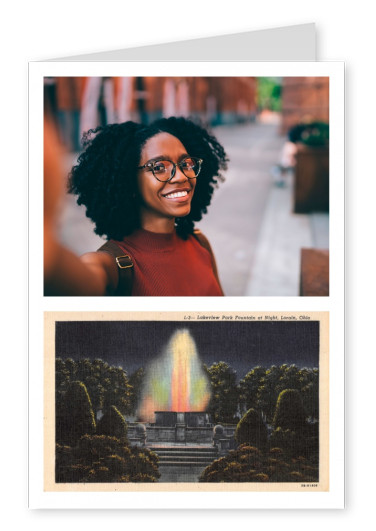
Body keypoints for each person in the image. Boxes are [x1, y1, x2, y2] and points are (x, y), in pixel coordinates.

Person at [47, 116, 228, 296]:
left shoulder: (200, 243)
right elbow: (74, 279)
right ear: (130, 181)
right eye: (159, 168)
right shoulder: (112, 266)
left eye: (186, 164)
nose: (181, 176)